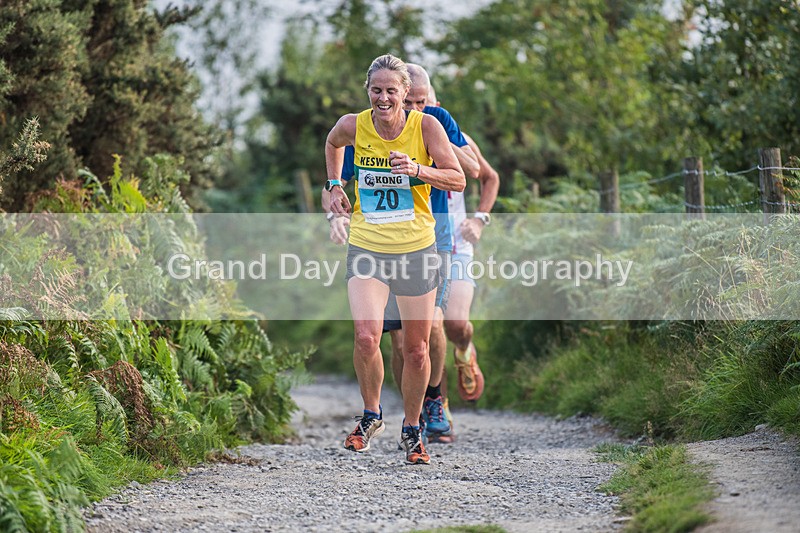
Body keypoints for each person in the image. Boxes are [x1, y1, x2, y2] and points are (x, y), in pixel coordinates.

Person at [324, 64, 480, 445]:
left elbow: (459, 177)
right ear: (368, 91)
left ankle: (413, 427)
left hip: (416, 248)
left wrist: (417, 169)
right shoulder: (353, 124)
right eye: (376, 90)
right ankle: (371, 414)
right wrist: (333, 186)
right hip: (367, 245)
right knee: (366, 336)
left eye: (391, 91)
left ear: (405, 92)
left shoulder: (426, 127)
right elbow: (332, 144)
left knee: (416, 346)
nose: (383, 98)